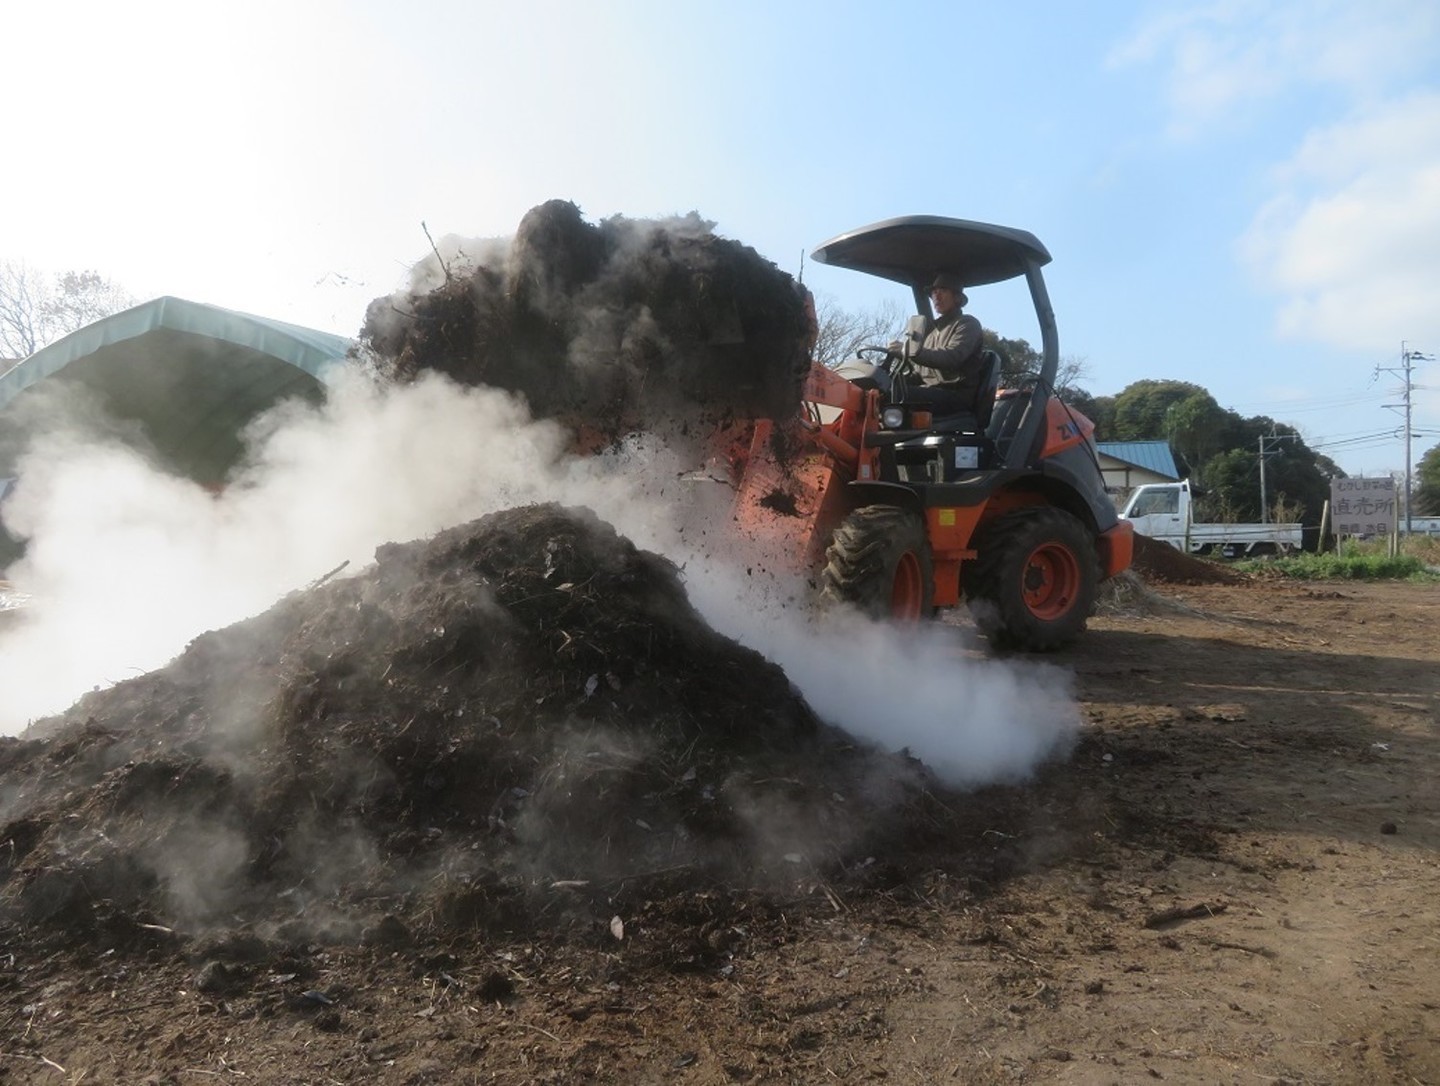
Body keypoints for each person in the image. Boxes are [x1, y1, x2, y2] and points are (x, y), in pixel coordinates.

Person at [890, 273, 986, 414]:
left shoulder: (967, 324)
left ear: (957, 298)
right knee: (882, 389)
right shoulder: (931, 333)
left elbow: (952, 357)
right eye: (934, 292)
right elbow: (920, 373)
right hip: (932, 392)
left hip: (955, 395)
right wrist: (893, 377)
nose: (937, 296)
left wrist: (909, 351)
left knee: (893, 396)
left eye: (943, 291)